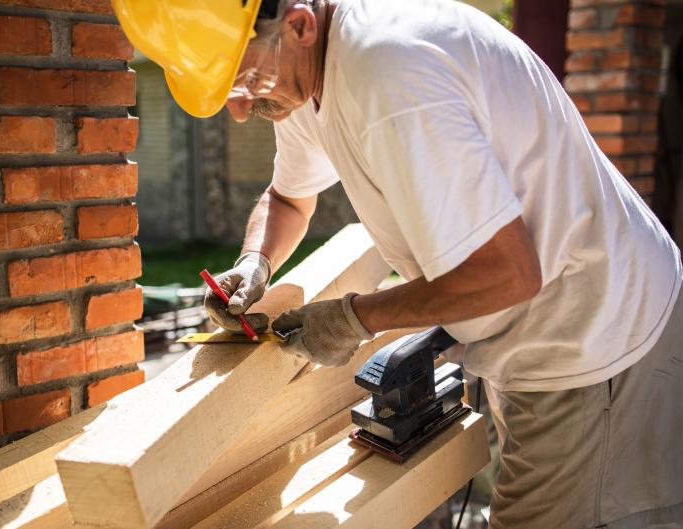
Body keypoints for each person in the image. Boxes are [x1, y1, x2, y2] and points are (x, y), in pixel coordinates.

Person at [114, 0, 683, 527]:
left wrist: (355, 317)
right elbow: (289, 198)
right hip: (547, 330)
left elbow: (508, 272)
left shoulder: (389, 75)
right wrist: (254, 262)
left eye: (246, 77)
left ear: (299, 24)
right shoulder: (312, 71)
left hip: (598, 339)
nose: (241, 109)